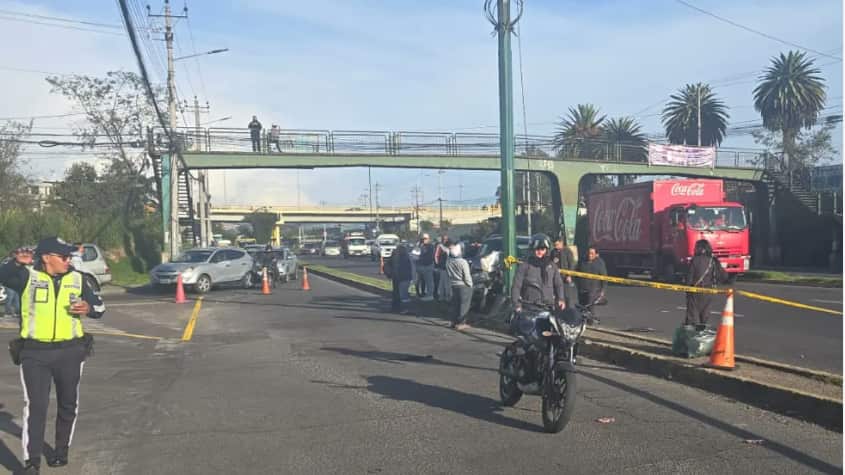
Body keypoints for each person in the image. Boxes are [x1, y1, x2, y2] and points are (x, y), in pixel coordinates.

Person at [0, 237, 105, 473]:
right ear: (47, 258)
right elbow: (2, 276)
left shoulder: (78, 279)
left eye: (70, 256)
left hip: (70, 351)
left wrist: (88, 308)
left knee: (68, 403)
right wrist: (15, 263)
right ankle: (32, 462)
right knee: (36, 406)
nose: (69, 260)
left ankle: (61, 450)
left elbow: (100, 308)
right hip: (35, 353)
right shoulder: (27, 276)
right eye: (64, 256)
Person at [511, 234, 566, 313]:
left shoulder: (552, 266)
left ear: (546, 250)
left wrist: (561, 299)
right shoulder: (524, 266)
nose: (540, 252)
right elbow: (516, 286)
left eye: (542, 249)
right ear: (532, 250)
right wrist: (517, 305)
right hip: (530, 308)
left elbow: (558, 284)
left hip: (548, 307)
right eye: (537, 249)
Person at [685, 239, 728, 329]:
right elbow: (723, 276)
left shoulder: (695, 260)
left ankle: (690, 332)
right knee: (705, 314)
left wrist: (687, 290)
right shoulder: (713, 261)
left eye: (696, 247)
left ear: (701, 249)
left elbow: (689, 277)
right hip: (709, 291)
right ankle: (702, 331)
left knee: (692, 314)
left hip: (695, 291)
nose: (694, 249)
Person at [576, 245, 607, 322]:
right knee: (581, 307)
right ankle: (582, 323)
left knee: (590, 307)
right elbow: (576, 273)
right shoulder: (582, 261)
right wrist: (577, 284)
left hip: (593, 289)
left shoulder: (599, 263)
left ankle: (590, 322)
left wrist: (602, 291)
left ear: (596, 254)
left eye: (592, 253)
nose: (590, 255)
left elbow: (604, 277)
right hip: (582, 289)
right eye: (589, 253)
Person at [447, 244, 473, 330]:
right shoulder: (463, 262)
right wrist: (470, 285)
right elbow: (467, 276)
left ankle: (453, 322)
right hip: (463, 285)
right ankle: (461, 323)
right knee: (464, 305)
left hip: (454, 285)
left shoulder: (448, 261)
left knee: (455, 304)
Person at [388, 245, 414, 314]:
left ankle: (396, 308)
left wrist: (390, 274)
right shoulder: (407, 257)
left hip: (397, 278)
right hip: (404, 278)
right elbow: (411, 268)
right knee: (404, 294)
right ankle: (405, 308)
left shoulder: (395, 257)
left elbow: (389, 266)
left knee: (397, 293)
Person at [551, 238, 577, 306]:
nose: (555, 246)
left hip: (565, 278)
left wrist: (569, 275)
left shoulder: (567, 251)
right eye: (554, 245)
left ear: (561, 243)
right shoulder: (553, 252)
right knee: (557, 295)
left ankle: (568, 309)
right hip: (556, 277)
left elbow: (571, 264)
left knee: (567, 296)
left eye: (557, 245)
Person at [415, 234, 435, 301]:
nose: (424, 240)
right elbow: (414, 255)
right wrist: (418, 246)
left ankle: (430, 295)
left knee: (429, 281)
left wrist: (420, 246)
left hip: (428, 266)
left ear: (428, 239)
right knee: (418, 281)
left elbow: (425, 253)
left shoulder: (430, 246)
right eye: (423, 239)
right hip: (420, 266)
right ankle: (420, 294)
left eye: (425, 238)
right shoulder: (419, 245)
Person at [434, 234, 451, 302]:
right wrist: (438, 265)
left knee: (446, 283)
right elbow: (436, 256)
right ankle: (443, 296)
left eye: (446, 239)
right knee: (443, 283)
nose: (445, 240)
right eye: (444, 239)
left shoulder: (448, 246)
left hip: (448, 267)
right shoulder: (440, 246)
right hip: (443, 267)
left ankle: (445, 296)